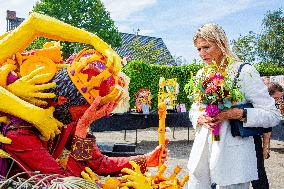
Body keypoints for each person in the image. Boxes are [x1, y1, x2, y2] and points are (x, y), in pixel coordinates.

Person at [0, 13, 167, 178]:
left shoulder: (67, 117)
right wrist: (82, 127)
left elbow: (95, 163)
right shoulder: (19, 131)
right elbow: (65, 181)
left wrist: (145, 160)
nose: (99, 114)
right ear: (64, 100)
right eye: (91, 108)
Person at [187, 23, 281, 189]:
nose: (202, 54)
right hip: (203, 153)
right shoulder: (201, 74)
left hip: (234, 158)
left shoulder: (244, 72)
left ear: (221, 43)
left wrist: (238, 113)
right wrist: (199, 117)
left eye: (206, 47)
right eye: (198, 49)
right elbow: (194, 108)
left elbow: (272, 115)